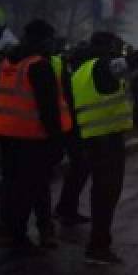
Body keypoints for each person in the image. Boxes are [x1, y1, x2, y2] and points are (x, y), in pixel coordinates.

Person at [70, 31, 138, 265]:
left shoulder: (80, 69)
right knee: (107, 193)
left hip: (91, 137)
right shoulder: (102, 66)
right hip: (106, 140)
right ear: (107, 47)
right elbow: (130, 62)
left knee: (100, 193)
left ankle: (98, 243)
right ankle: (98, 246)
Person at [0, 19, 71, 252]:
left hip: (7, 135)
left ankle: (6, 232)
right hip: (32, 138)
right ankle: (20, 235)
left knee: (12, 186)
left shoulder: (8, 61)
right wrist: (57, 142)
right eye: (49, 39)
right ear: (41, 39)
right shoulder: (39, 66)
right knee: (33, 187)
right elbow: (49, 109)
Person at [55, 43, 93, 226]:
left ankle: (66, 208)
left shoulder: (70, 74)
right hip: (72, 128)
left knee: (78, 169)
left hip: (71, 127)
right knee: (80, 168)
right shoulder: (74, 77)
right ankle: (66, 209)